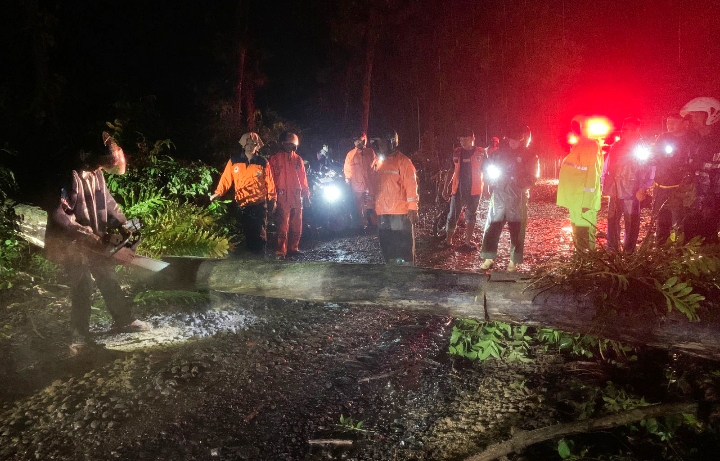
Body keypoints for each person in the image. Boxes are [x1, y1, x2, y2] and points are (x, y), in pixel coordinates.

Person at [44, 132, 150, 350]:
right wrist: (94, 240)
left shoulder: (96, 174)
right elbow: (62, 216)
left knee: (106, 276)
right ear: (89, 157)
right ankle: (79, 338)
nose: (101, 169)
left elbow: (108, 201)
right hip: (70, 242)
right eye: (99, 165)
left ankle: (124, 320)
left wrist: (124, 224)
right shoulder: (68, 175)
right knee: (82, 285)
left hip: (94, 237)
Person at [479, 125, 537, 272]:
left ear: (523, 139)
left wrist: (516, 180)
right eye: (510, 139)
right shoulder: (500, 153)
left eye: (516, 140)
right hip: (499, 193)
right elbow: (487, 165)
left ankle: (514, 260)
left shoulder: (530, 156)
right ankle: (489, 257)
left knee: (516, 228)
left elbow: (532, 178)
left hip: (517, 196)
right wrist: (489, 175)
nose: (512, 142)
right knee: (493, 225)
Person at [210, 132, 276, 257]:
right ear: (243, 145)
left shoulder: (263, 162)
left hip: (259, 204)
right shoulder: (234, 161)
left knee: (259, 232)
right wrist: (218, 193)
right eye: (248, 144)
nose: (250, 147)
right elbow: (226, 179)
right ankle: (251, 261)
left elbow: (270, 182)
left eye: (253, 144)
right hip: (242, 204)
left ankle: (260, 259)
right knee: (248, 232)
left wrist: (273, 199)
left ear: (258, 146)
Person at [601, 117, 654, 253]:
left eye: (628, 128)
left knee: (631, 222)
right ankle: (612, 249)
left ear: (636, 129)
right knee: (612, 220)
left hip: (632, 190)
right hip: (615, 190)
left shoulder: (642, 148)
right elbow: (606, 166)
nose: (624, 131)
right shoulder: (616, 146)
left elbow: (649, 169)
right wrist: (604, 183)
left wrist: (643, 187)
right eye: (624, 128)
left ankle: (629, 251)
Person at [556, 115, 604, 250]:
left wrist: (588, 201)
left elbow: (592, 173)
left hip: (584, 199)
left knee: (584, 232)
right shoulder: (579, 145)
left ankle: (586, 262)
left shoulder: (590, 145)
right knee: (578, 231)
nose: (574, 130)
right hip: (576, 199)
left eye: (577, 127)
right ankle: (581, 261)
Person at [650, 113, 699, 244]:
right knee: (660, 221)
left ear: (685, 123)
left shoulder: (691, 139)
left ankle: (678, 251)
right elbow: (654, 156)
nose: (669, 125)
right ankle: (660, 249)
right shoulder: (662, 138)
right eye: (667, 122)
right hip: (661, 187)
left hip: (680, 190)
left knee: (679, 223)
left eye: (673, 122)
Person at [372, 129, 419, 265]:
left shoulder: (403, 162)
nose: (379, 147)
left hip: (400, 212)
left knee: (403, 245)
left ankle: (407, 273)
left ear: (391, 143)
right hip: (383, 212)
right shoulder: (378, 162)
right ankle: (391, 272)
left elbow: (411, 185)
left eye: (381, 144)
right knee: (387, 245)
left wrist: (413, 208)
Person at [680, 96, 720, 243]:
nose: (692, 120)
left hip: (710, 207)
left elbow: (717, 176)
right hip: (693, 202)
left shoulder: (717, 142)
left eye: (696, 115)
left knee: (707, 242)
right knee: (689, 238)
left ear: (709, 115)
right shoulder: (694, 141)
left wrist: (710, 205)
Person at [268, 131, 310, 259]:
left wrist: (306, 195)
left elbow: (303, 179)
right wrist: (272, 198)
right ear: (282, 144)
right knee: (282, 225)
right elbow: (270, 179)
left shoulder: (298, 159)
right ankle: (281, 251)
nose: (289, 146)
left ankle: (293, 248)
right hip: (281, 197)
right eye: (287, 143)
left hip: (297, 197)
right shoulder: (274, 159)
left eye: (292, 144)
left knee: (297, 224)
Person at [443, 129, 486, 249]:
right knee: (452, 215)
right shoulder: (456, 152)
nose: (462, 142)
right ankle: (448, 241)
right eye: (461, 139)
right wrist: (446, 187)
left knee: (471, 215)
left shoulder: (481, 153)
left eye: (465, 139)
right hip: (458, 190)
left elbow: (486, 170)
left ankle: (468, 242)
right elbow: (451, 170)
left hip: (474, 190)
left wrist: (489, 187)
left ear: (473, 138)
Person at [344, 133, 378, 230]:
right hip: (357, 186)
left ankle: (374, 224)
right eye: (356, 141)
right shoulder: (350, 154)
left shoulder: (370, 152)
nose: (358, 143)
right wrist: (348, 181)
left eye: (360, 140)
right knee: (359, 207)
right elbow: (347, 170)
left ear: (364, 141)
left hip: (370, 184)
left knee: (372, 204)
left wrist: (377, 178)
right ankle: (362, 226)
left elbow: (376, 166)